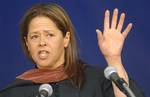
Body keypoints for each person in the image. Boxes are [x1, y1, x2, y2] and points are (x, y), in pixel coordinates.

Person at [0, 2, 145, 97]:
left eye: (50, 35)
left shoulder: (97, 80)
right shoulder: (13, 92)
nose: (42, 42)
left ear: (66, 39)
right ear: (27, 43)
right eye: (34, 37)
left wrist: (114, 58)